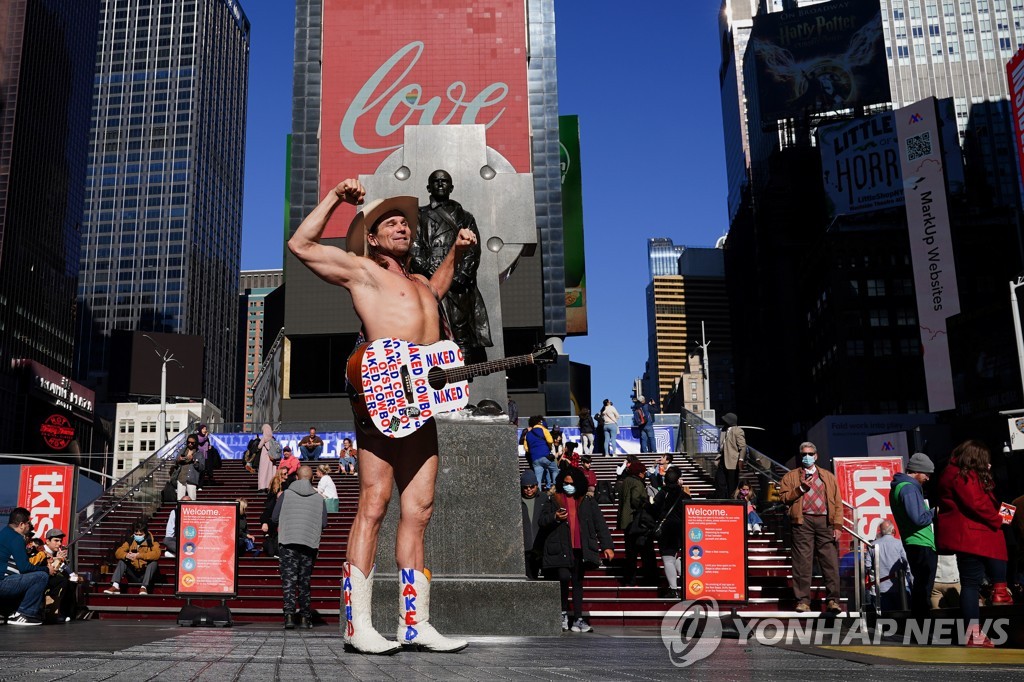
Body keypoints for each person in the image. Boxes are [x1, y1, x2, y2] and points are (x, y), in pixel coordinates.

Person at [288, 176, 476, 654]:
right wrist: (335, 197)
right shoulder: (363, 272)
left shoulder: (421, 285)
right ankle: (358, 625)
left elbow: (440, 286)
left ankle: (414, 624)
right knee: (374, 505)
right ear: (371, 237)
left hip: (422, 405)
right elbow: (301, 244)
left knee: (421, 510)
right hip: (381, 398)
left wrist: (454, 249)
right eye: (390, 222)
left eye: (405, 223)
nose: (402, 226)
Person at [409, 168, 491, 363]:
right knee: (432, 327)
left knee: (460, 326)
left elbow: (473, 248)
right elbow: (414, 246)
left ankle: (462, 371)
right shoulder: (418, 215)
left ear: (451, 187)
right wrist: (432, 272)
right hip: (430, 280)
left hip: (458, 281)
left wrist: (462, 275)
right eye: (435, 181)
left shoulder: (465, 216)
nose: (440, 184)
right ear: (428, 187)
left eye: (444, 181)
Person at [936, 440, 1012, 647]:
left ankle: (974, 632)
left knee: (969, 584)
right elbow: (977, 502)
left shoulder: (952, 472)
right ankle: (999, 591)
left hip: (967, 537)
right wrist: (998, 519)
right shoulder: (963, 475)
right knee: (970, 584)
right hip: (974, 535)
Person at [539, 465, 614, 633]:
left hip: (580, 548)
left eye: (572, 483)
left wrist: (607, 546)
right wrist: (554, 517)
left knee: (578, 583)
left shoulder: (587, 501)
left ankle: (578, 618)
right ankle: (563, 612)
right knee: (564, 576)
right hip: (561, 548)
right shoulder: (554, 499)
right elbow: (542, 520)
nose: (568, 486)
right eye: (566, 482)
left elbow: (600, 524)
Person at [779, 442, 843, 614]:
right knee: (802, 563)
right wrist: (800, 489)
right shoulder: (791, 476)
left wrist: (838, 525)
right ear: (800, 456)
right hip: (802, 521)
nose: (807, 456)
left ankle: (833, 600)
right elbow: (783, 497)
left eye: (810, 453)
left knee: (829, 562)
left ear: (816, 456)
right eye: (804, 454)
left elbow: (837, 502)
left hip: (825, 522)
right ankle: (803, 601)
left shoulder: (827, 476)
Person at [271, 466, 329, 629]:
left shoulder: (286, 495)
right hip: (309, 544)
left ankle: (289, 617)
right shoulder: (319, 499)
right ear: (312, 479)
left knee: (289, 581)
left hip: (288, 542)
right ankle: (304, 618)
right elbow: (324, 523)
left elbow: (274, 518)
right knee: (305, 582)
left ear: (296, 477)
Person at [890, 452, 938, 619]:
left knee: (921, 586)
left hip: (914, 542)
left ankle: (920, 626)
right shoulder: (909, 488)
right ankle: (922, 627)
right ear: (917, 471)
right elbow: (918, 519)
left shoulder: (901, 487)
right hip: (920, 543)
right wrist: (935, 512)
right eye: (926, 474)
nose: (928, 478)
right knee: (923, 588)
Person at [0, 508, 53, 625]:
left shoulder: (4, 533)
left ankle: (6, 611)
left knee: (24, 579)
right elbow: (24, 568)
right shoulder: (16, 538)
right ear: (21, 525)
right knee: (41, 576)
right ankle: (24, 614)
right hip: (2, 584)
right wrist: (46, 569)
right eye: (28, 523)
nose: (30, 525)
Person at [650, 467, 687, 599]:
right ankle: (685, 580)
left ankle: (673, 589)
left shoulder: (663, 493)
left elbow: (654, 509)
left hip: (666, 529)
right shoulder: (684, 495)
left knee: (667, 559)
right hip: (680, 529)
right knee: (675, 556)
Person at [102, 521, 161, 595]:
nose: (138, 536)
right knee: (122, 561)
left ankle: (144, 587)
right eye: (136, 534)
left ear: (145, 534)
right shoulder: (130, 540)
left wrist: (138, 555)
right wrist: (127, 555)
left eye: (140, 534)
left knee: (153, 563)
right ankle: (115, 586)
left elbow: (157, 554)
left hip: (146, 574)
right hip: (133, 572)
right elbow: (118, 552)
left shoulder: (152, 542)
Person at [617, 459, 651, 587]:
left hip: (626, 522)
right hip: (635, 522)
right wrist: (646, 504)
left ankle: (629, 580)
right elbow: (635, 500)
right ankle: (640, 579)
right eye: (643, 472)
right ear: (639, 473)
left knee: (629, 553)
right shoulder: (638, 483)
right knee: (642, 552)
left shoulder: (625, 481)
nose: (644, 474)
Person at [866, 520, 911, 612]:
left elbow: (867, 565)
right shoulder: (899, 544)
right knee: (904, 615)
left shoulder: (873, 545)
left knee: (886, 617)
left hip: (881, 588)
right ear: (893, 530)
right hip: (900, 586)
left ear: (881, 531)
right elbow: (907, 563)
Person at [520, 470, 545, 579]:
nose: (529, 489)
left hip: (542, 545)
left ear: (536, 485)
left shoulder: (544, 498)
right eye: (525, 487)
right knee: (530, 577)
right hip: (526, 546)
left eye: (531, 486)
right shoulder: (517, 500)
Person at [524, 415, 558, 492]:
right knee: (555, 470)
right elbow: (550, 441)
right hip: (545, 456)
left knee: (538, 479)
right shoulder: (543, 429)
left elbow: (526, 448)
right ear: (539, 422)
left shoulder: (527, 434)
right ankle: (555, 488)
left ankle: (538, 494)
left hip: (535, 459)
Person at [716, 413, 745, 498]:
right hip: (722, 460)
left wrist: (741, 459)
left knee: (732, 484)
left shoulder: (738, 430)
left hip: (733, 462)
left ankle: (731, 500)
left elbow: (742, 446)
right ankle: (721, 499)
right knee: (719, 480)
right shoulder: (723, 430)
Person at [174, 434, 205, 500]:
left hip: (192, 479)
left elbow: (202, 467)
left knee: (192, 500)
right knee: (180, 500)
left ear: (196, 443)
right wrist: (179, 460)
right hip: (181, 478)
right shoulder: (183, 450)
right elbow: (175, 462)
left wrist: (193, 461)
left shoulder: (199, 454)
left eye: (192, 443)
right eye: (188, 442)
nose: (190, 444)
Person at [257, 423, 280, 492]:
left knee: (263, 472)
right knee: (270, 472)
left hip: (265, 457)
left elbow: (259, 446)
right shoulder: (273, 439)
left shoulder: (264, 438)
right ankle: (269, 486)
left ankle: (262, 487)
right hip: (272, 458)